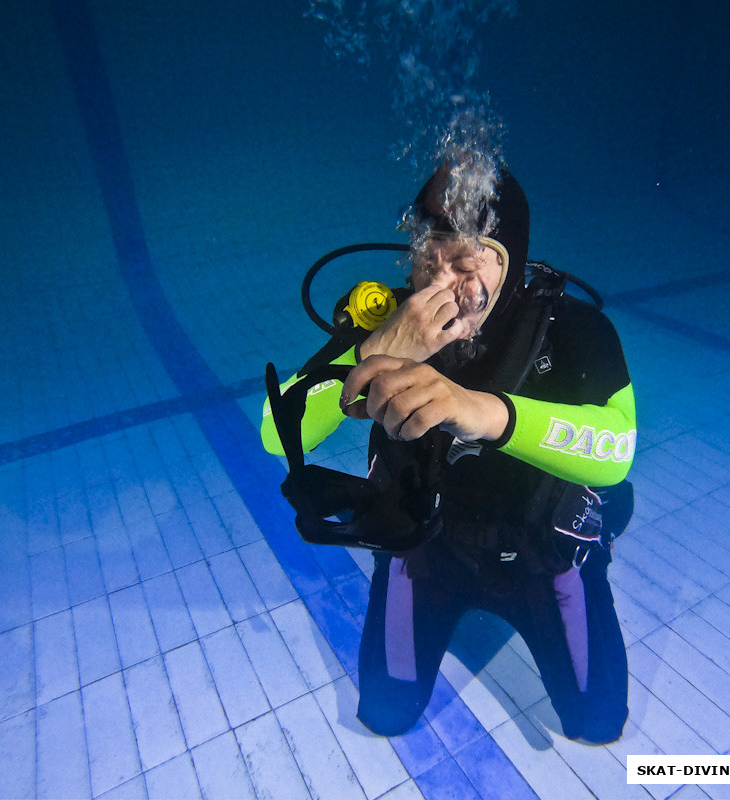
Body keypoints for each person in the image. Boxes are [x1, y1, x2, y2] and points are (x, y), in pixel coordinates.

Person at [261, 156, 636, 744]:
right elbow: (272, 430)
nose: (444, 287)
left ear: (509, 263)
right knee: (385, 710)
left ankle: (600, 537)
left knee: (597, 720)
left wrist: (476, 409)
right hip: (426, 548)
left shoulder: (572, 328)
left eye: (468, 262)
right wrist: (367, 356)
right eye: (428, 259)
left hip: (542, 552)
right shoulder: (383, 319)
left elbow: (616, 449)